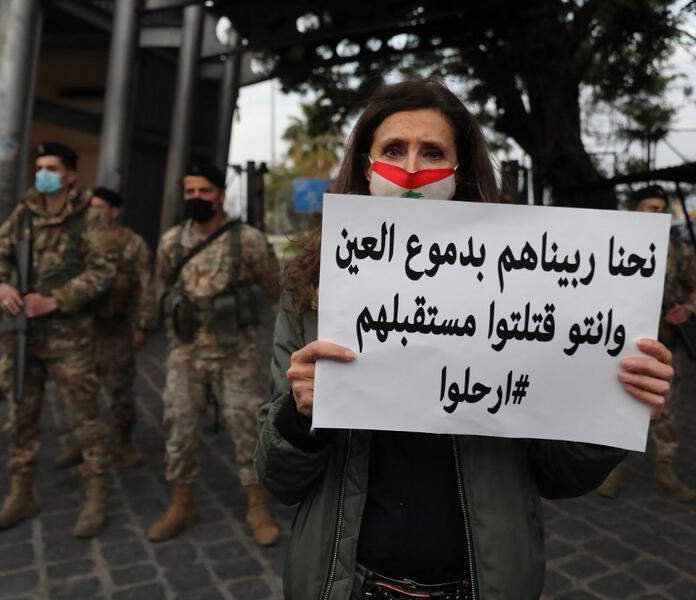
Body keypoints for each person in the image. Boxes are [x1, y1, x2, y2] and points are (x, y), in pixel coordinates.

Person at [255, 80, 675, 600]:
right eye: (393, 150)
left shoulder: (526, 287)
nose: (411, 170)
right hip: (347, 585)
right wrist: (299, 417)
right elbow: (278, 476)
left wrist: (614, 411)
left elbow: (558, 474)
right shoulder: (310, 290)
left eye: (433, 152)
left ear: (460, 171)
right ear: (366, 166)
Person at [0, 142, 117, 538]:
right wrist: (0, 285)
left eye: (52, 168)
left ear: (70, 175)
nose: (42, 174)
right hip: (22, 336)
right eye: (39, 166)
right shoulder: (23, 213)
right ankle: (21, 492)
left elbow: (103, 270)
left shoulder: (90, 217)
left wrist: (56, 300)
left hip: (68, 337)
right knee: (21, 415)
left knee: (85, 418)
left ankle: (96, 496)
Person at [148, 161, 281, 546]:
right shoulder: (172, 241)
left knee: (247, 428)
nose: (196, 198)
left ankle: (257, 506)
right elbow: (165, 280)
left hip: (237, 351)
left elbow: (271, 287)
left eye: (204, 192)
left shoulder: (248, 240)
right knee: (178, 424)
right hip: (187, 351)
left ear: (220, 195)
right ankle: (182, 504)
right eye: (190, 192)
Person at [597, 185, 695, 502]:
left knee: (666, 408)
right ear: (636, 210)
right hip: (621, 345)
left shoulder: (680, 251)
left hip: (665, 346)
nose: (659, 213)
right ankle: (610, 469)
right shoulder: (614, 245)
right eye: (652, 208)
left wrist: (688, 309)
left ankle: (665, 471)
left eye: (663, 208)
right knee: (618, 406)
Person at [55, 186, 156, 469]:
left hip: (115, 328)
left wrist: (143, 325)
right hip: (80, 328)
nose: (93, 213)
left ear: (114, 211)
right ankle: (82, 441)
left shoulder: (132, 243)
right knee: (77, 388)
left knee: (119, 387)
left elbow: (146, 286)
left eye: (99, 208)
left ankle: (123, 440)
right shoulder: (78, 240)